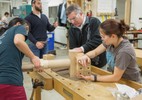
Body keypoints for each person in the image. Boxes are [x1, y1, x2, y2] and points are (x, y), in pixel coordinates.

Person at [78, 19, 142, 83]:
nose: (101, 39)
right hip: (120, 81)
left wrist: (93, 78)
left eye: (103, 37)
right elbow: (95, 52)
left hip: (132, 84)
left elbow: (115, 77)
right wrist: (86, 56)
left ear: (113, 36)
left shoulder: (124, 51)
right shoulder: (110, 42)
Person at [0, 17, 42, 100]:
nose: (26, 33)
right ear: (18, 24)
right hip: (9, 82)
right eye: (27, 30)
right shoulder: (19, 27)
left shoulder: (3, 37)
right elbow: (18, 41)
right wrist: (33, 57)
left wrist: (29, 55)